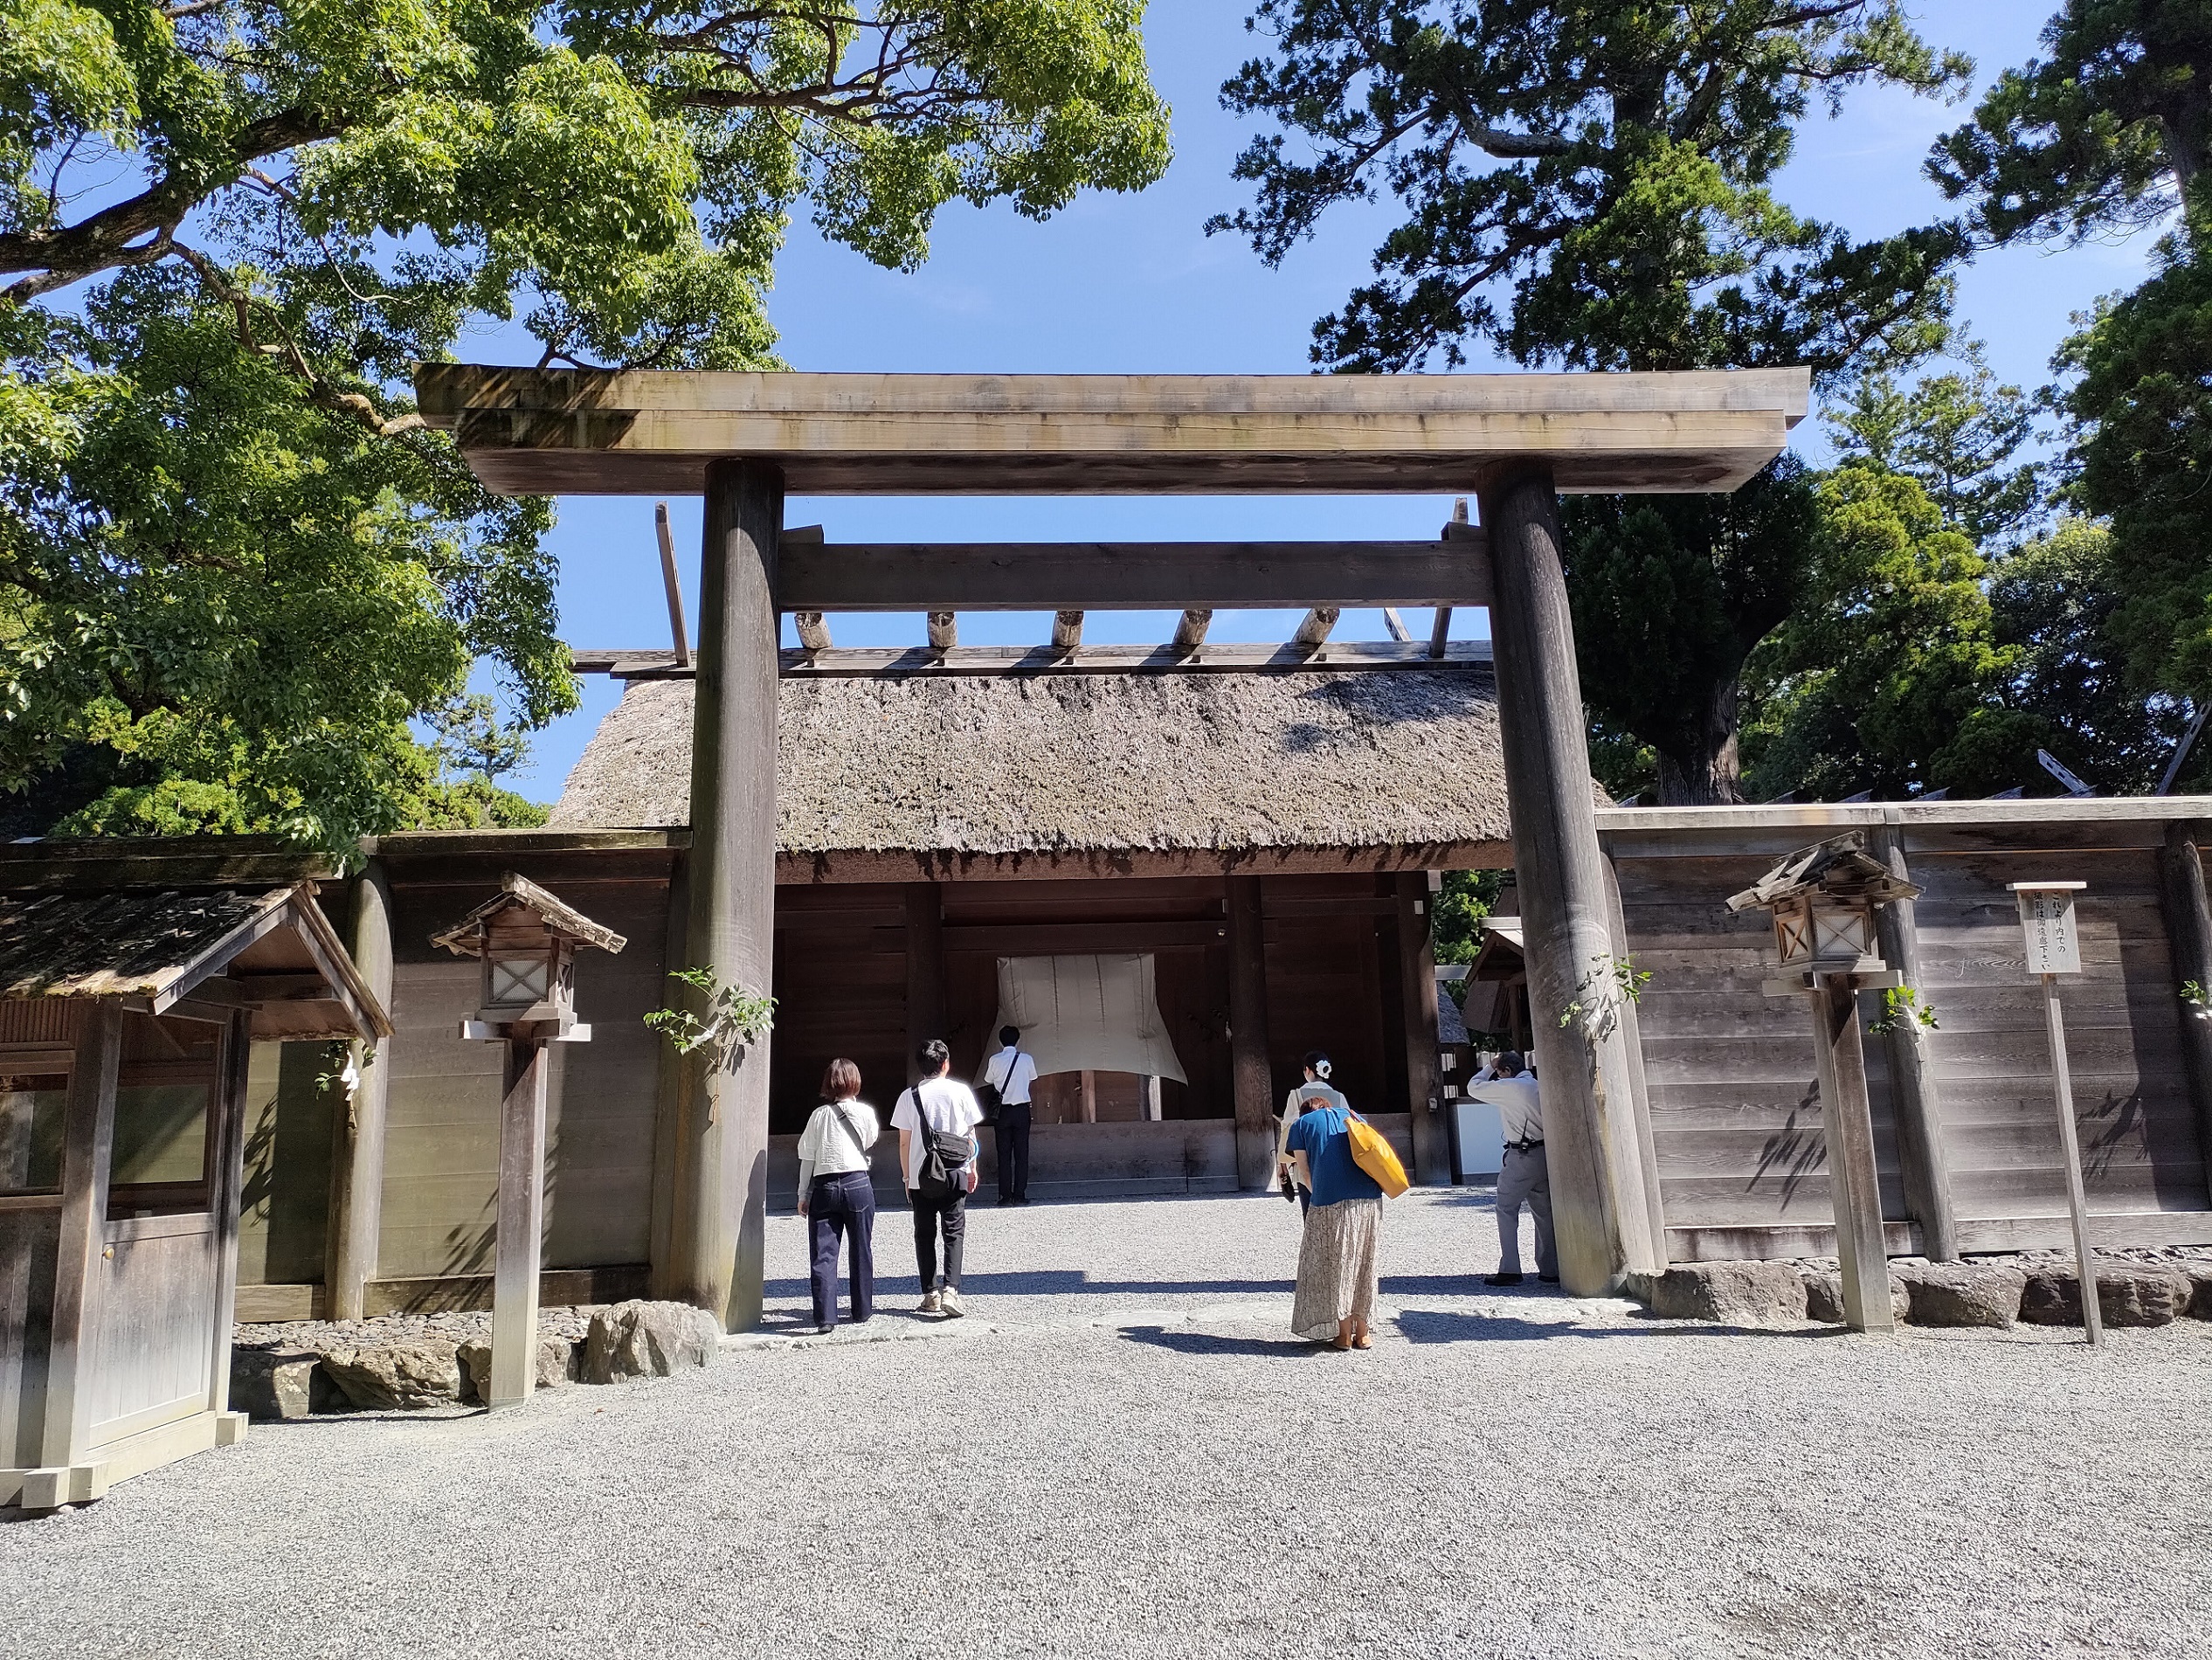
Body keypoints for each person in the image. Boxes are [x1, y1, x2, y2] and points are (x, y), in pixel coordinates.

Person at [1277, 1052, 1382, 1351]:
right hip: (1367, 1195)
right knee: (1363, 1261)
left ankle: (1341, 1333)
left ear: (1307, 1070)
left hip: (1326, 1188)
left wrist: (1283, 1170)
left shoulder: (1298, 1102)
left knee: (1332, 1257)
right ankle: (1363, 1332)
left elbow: (1290, 1137)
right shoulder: (1344, 1103)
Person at [892, 1038, 984, 1318]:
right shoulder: (961, 1091)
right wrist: (973, 1167)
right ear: (945, 1064)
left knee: (924, 1234)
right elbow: (970, 1136)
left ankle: (930, 1293)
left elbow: (904, 1142)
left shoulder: (909, 1096)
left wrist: (907, 1178)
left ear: (921, 1067)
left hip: (923, 1175)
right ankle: (951, 1291)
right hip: (955, 1171)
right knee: (953, 1233)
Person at [794, 1058, 879, 1334]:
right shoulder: (865, 1112)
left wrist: (802, 1193)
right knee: (861, 1248)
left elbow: (807, 1156)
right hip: (858, 1184)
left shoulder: (819, 1115)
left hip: (825, 1185)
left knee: (823, 1254)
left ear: (828, 1083)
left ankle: (826, 1318)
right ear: (855, 1081)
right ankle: (862, 1310)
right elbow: (869, 1140)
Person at [1469, 1050, 1555, 1286]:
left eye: (1500, 1073)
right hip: (1545, 1154)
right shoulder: (1538, 1085)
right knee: (1544, 1213)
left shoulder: (1510, 1087)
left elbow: (1473, 1087)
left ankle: (1510, 1268)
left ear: (1506, 1071)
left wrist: (1489, 1067)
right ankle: (1550, 1269)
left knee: (1506, 1209)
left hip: (1521, 1155)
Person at [1275, 1051, 1349, 1214]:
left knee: (1310, 1215)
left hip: (1305, 1162)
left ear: (1307, 1070)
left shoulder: (1296, 1095)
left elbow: (1288, 1130)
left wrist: (1283, 1166)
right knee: (1336, 1214)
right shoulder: (1339, 1097)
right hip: (1336, 1162)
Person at [978, 1024, 1039, 1207]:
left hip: (1002, 1111)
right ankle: (1019, 1194)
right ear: (1018, 1040)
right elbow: (1033, 1077)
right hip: (1021, 1110)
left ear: (1001, 1041)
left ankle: (1005, 1196)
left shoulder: (995, 1060)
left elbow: (988, 1080)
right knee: (1022, 1154)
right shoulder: (1026, 1059)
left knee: (1003, 1154)